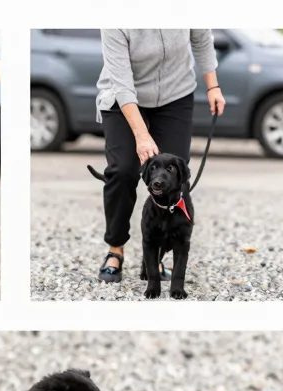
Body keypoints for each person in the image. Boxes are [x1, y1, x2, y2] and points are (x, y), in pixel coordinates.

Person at [94, 29, 225, 282]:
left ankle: (155, 257)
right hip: (124, 97)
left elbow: (201, 40)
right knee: (123, 171)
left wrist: (213, 86)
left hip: (175, 94)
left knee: (175, 173)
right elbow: (122, 85)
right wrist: (142, 137)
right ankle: (115, 249)